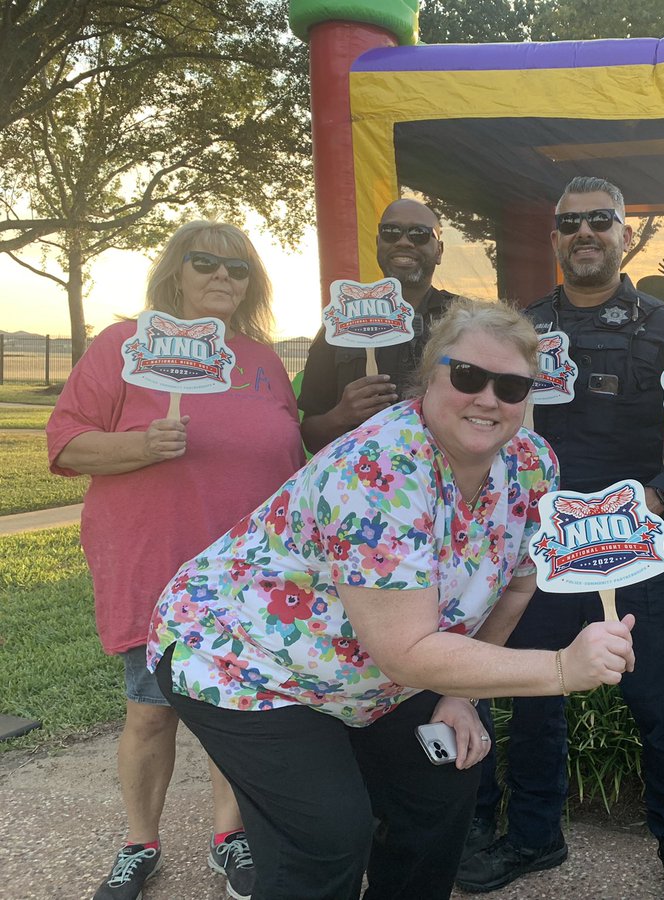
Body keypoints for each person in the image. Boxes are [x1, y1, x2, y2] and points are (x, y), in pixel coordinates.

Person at [144, 298, 637, 900]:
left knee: (441, 786)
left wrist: (460, 694)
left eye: (511, 387)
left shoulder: (533, 464)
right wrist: (563, 667)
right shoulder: (379, 466)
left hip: (367, 666)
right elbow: (405, 651)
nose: (488, 399)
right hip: (241, 661)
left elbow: (517, 584)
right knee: (326, 834)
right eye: (467, 377)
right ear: (429, 376)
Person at [457, 177, 664, 900]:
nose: (584, 233)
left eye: (600, 221)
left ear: (624, 234)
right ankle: (534, 838)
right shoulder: (523, 331)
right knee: (536, 697)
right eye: (569, 222)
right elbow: (484, 421)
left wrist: (657, 500)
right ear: (554, 238)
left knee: (659, 700)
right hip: (540, 553)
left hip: (631, 547)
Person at [46, 221, 306, 900]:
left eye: (238, 267)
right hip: (156, 564)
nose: (222, 275)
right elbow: (66, 443)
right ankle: (140, 843)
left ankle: (231, 836)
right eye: (205, 261)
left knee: (240, 710)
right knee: (151, 710)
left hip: (249, 575)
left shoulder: (262, 360)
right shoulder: (123, 345)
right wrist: (141, 447)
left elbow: (292, 452)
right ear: (175, 271)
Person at [298, 197, 456, 452]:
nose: (404, 241)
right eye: (391, 232)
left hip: (446, 483)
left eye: (419, 234)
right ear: (378, 244)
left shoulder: (465, 320)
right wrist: (340, 416)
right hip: (358, 486)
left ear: (439, 251)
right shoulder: (339, 322)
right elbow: (310, 436)